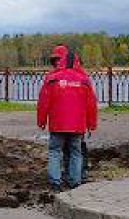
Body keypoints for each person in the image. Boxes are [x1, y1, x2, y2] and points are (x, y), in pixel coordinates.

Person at [36, 45, 98, 190]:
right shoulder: (84, 79)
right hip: (77, 126)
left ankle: (55, 184)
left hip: (57, 124)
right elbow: (91, 104)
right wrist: (91, 124)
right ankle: (75, 183)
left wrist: (41, 121)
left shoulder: (52, 78)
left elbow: (43, 102)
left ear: (60, 61)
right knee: (76, 153)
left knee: (54, 152)